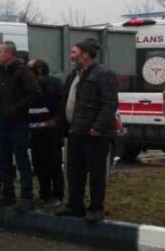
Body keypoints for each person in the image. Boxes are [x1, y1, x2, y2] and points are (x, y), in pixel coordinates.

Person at [57, 40, 119, 222]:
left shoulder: (104, 74)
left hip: (95, 134)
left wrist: (97, 127)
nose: (71, 55)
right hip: (75, 131)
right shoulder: (74, 75)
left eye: (74, 52)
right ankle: (75, 205)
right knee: (74, 171)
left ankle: (96, 208)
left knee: (96, 173)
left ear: (85, 54)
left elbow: (110, 103)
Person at [0, 41, 41, 211]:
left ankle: (26, 196)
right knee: (4, 160)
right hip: (0, 122)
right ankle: (7, 192)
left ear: (10, 54)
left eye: (0, 52)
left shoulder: (23, 72)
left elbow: (34, 94)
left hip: (17, 123)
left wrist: (15, 109)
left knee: (21, 160)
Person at [27, 59, 65, 208]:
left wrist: (56, 121)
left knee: (54, 163)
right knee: (39, 164)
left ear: (39, 70)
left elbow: (61, 104)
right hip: (34, 130)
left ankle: (57, 195)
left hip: (50, 132)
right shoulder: (29, 84)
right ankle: (44, 194)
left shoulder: (53, 84)